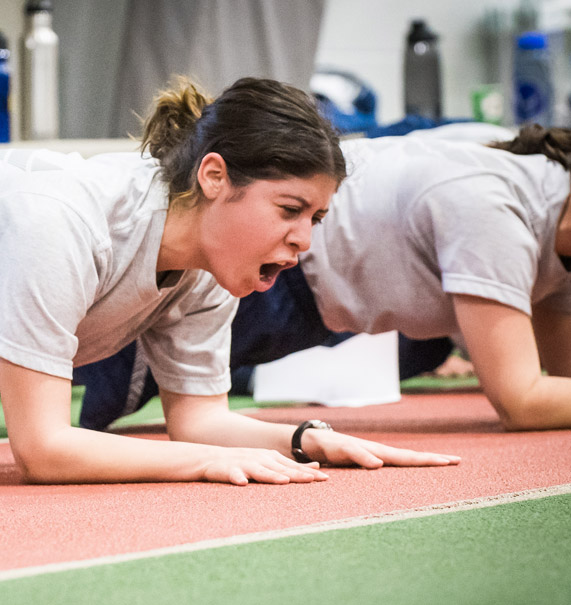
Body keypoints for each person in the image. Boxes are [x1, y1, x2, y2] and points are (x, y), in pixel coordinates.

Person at [0, 73, 459, 486]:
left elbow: (199, 420)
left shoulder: (209, 274)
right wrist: (196, 466)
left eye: (315, 218)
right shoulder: (64, 219)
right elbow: (41, 449)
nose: (302, 241)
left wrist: (303, 438)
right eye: (289, 210)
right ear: (213, 176)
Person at [75, 125, 571, 433]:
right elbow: (523, 400)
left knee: (84, 367)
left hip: (312, 304)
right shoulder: (493, 207)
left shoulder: (553, 225)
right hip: (275, 269)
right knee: (63, 349)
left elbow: (558, 378)